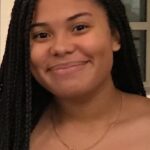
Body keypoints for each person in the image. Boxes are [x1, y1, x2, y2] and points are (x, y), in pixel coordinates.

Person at [0, 0, 150, 149]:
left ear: (115, 36)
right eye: (42, 35)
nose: (61, 48)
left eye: (79, 27)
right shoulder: (11, 133)